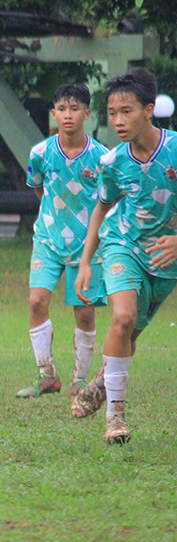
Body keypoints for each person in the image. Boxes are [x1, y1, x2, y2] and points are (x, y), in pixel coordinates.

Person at [74, 68, 177, 444]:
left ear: (149, 109)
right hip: (122, 245)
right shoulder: (112, 161)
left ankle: (102, 381)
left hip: (166, 259)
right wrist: (86, 262)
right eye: (112, 112)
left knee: (129, 336)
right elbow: (101, 207)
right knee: (122, 317)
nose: (118, 121)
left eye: (127, 111)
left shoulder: (175, 150)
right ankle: (115, 420)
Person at [17, 84, 107, 399]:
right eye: (62, 109)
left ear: (87, 113)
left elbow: (108, 201)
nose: (68, 115)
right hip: (48, 240)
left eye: (74, 109)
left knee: (83, 311)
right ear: (54, 113)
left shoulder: (102, 157)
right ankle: (47, 376)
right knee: (36, 302)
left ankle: (79, 379)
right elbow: (38, 189)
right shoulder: (39, 153)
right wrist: (54, 219)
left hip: (88, 246)